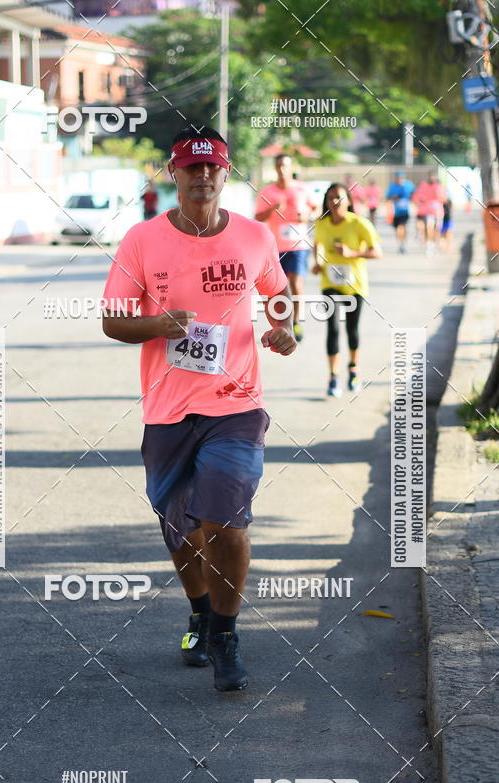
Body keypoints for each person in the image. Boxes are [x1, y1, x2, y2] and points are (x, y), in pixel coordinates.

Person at [102, 126, 296, 692]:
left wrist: (283, 328)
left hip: (236, 404)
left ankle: (226, 634)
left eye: (212, 167)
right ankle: (199, 613)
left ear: (226, 173)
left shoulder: (255, 237)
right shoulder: (141, 240)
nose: (202, 176)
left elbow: (279, 294)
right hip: (167, 411)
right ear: (174, 173)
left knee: (225, 522)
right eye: (191, 167)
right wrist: (160, 325)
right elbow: (113, 319)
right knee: (182, 533)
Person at [312, 183, 382, 397]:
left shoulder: (359, 223)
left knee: (352, 329)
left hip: (355, 285)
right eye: (331, 198)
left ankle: (353, 370)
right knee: (332, 328)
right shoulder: (321, 224)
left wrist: (351, 253)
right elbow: (318, 246)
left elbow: (376, 252)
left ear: (349, 201)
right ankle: (333, 377)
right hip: (330, 283)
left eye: (339, 198)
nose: (334, 202)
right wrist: (317, 263)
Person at [255, 154, 316, 343]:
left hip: (298, 245)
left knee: (296, 282)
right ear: (275, 168)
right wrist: (271, 209)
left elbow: (316, 209)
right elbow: (258, 217)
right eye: (279, 165)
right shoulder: (268, 192)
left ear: (291, 168)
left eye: (285, 165)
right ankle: (281, 323)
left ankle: (296, 321)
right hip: (277, 247)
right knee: (279, 287)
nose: (282, 169)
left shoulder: (302, 188)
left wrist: (307, 215)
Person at [412, 172, 446, 255]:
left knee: (436, 230)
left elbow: (444, 199)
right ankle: (429, 245)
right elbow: (416, 197)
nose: (432, 178)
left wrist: (439, 197)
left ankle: (434, 244)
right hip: (428, 212)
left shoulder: (439, 186)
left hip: (438, 212)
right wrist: (420, 203)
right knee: (429, 227)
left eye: (433, 177)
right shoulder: (424, 186)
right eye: (431, 177)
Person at [386, 171, 414, 253]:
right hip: (395, 212)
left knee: (401, 228)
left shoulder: (408, 185)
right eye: (398, 178)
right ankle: (401, 243)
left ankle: (403, 244)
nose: (400, 180)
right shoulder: (392, 187)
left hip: (405, 212)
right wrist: (393, 197)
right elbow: (387, 197)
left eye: (402, 178)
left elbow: (414, 193)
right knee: (397, 230)